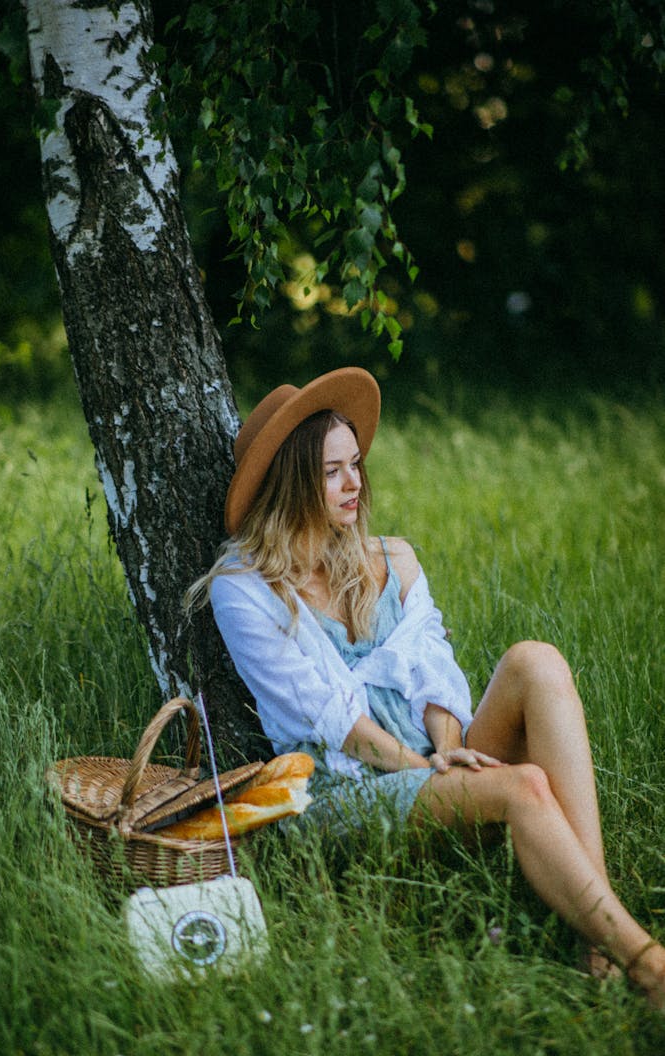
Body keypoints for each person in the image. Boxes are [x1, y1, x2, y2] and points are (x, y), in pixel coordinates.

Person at [189, 366, 665, 1009]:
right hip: (345, 792)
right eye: (332, 472)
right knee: (525, 786)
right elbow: (334, 722)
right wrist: (426, 768)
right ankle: (646, 963)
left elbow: (436, 676)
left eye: (355, 464)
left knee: (536, 659)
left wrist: (444, 751)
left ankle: (597, 943)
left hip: (434, 759)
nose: (355, 482)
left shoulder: (393, 557)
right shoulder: (243, 589)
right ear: (293, 481)